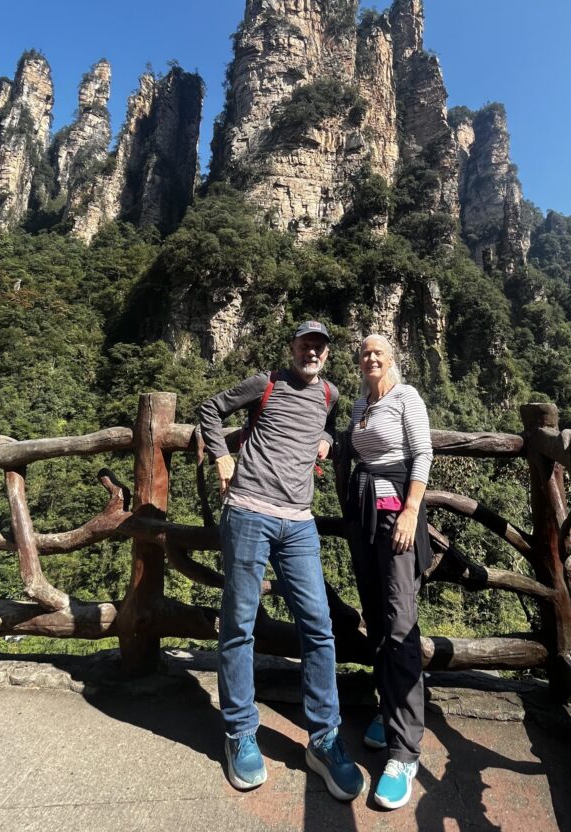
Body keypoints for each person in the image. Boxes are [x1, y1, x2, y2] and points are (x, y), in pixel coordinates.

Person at [198, 320, 364, 801]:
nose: (312, 351)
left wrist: (327, 440)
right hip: (248, 511)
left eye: (320, 346)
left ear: (326, 354)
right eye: (305, 344)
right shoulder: (265, 382)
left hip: (299, 522)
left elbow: (327, 426)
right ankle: (239, 732)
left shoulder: (329, 394)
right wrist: (221, 456)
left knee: (318, 626)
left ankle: (324, 739)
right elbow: (210, 408)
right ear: (292, 347)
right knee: (239, 624)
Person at [346, 333, 433, 810]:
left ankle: (405, 752)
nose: (371, 357)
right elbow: (354, 449)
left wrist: (410, 511)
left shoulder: (406, 397)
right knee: (377, 618)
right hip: (364, 513)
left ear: (391, 357)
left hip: (397, 509)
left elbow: (423, 453)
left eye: (378, 351)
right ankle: (388, 708)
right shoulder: (361, 403)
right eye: (365, 353)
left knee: (400, 623)